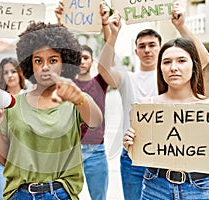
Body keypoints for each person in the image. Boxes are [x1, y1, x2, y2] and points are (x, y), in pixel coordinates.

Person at [0, 22, 103, 200]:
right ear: (30, 65)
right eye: (38, 61)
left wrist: (78, 98)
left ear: (64, 64)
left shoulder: (75, 100)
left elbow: (96, 121)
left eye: (53, 60)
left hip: (60, 194)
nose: (45, 67)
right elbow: (6, 160)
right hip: (20, 194)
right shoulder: (13, 104)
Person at [100, 1, 209, 199]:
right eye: (142, 46)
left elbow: (204, 60)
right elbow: (104, 69)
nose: (173, 68)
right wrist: (112, 34)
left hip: (195, 179)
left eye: (152, 45)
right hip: (145, 167)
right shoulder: (130, 80)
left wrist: (181, 25)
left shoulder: (202, 99)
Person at [123, 37, 209, 199]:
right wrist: (131, 145)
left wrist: (180, 24)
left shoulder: (207, 108)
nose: (173, 68)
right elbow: (142, 152)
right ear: (160, 68)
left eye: (181, 60)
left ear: (194, 66)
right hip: (155, 187)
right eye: (167, 62)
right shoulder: (147, 107)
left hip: (200, 187)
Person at [54, 2, 120, 199]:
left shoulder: (100, 82)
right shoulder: (66, 83)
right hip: (69, 150)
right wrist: (60, 23)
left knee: (98, 196)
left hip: (96, 151)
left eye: (85, 57)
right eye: (78, 58)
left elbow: (109, 51)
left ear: (92, 61)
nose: (82, 61)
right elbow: (60, 53)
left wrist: (105, 25)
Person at [0, 57, 28, 200]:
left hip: (22, 157)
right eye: (6, 72)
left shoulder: (30, 97)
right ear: (1, 76)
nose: (10, 75)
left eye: (13, 71)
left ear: (19, 73)